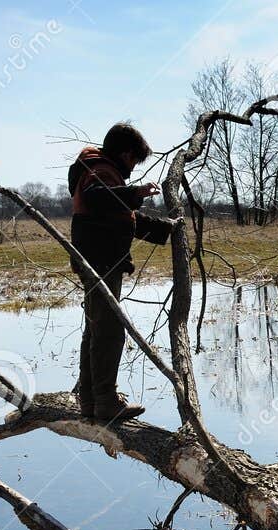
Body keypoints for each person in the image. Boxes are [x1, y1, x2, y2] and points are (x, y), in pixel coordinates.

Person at [67, 122, 175, 422]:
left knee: (96, 330)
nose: (133, 168)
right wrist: (135, 192)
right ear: (125, 153)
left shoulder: (98, 170)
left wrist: (165, 229)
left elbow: (119, 217)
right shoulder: (100, 172)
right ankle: (105, 402)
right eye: (134, 160)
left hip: (98, 260)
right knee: (108, 332)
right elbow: (99, 199)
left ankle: (90, 401)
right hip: (99, 262)